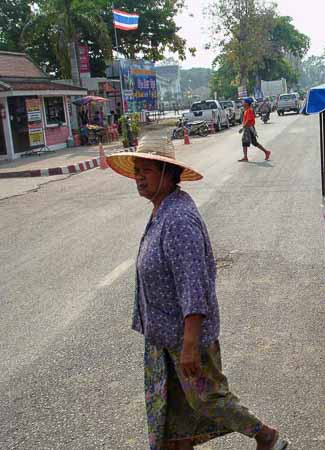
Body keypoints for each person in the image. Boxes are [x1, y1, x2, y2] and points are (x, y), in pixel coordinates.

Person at [106, 138, 288, 450]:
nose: (138, 177)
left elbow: (193, 286)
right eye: (136, 170)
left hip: (183, 340)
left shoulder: (178, 219)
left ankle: (265, 435)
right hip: (163, 339)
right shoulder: (162, 210)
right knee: (173, 422)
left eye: (146, 170)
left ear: (167, 172)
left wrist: (189, 345)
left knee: (209, 400)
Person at [238, 98, 271, 162]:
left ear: (247, 103)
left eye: (244, 102)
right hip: (248, 128)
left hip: (249, 128)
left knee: (250, 142)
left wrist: (243, 128)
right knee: (247, 142)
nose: (243, 103)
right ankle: (266, 152)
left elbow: (249, 120)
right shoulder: (246, 110)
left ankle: (266, 152)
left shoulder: (249, 110)